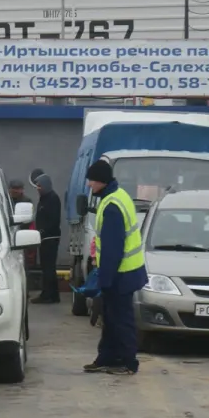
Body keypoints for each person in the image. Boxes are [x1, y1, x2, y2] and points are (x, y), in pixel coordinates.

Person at [75, 159, 147, 375]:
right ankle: (107, 358)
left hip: (120, 275)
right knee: (111, 319)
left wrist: (104, 280)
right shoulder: (117, 197)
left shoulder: (112, 206)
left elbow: (114, 248)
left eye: (91, 181)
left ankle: (127, 362)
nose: (89, 185)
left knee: (121, 320)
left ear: (101, 181)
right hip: (124, 272)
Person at [29, 169, 62, 305]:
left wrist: (42, 231)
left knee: (48, 267)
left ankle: (47, 294)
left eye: (39, 186)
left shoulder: (52, 199)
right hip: (44, 238)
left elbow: (53, 220)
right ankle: (53, 294)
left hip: (50, 238)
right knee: (48, 267)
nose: (38, 189)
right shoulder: (44, 199)